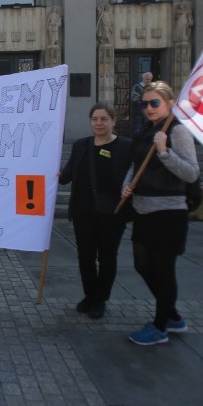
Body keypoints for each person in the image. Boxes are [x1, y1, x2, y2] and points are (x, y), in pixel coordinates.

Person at [122, 81, 200, 345]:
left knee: (164, 270)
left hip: (168, 212)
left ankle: (160, 326)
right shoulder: (148, 131)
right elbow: (137, 165)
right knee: (142, 266)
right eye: (144, 104)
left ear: (169, 103)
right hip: (144, 209)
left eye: (155, 103)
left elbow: (191, 172)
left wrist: (165, 151)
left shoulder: (176, 131)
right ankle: (173, 315)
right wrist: (126, 186)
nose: (149, 108)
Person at [59, 103, 133, 320]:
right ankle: (89, 295)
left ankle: (101, 299)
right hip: (84, 211)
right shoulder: (82, 146)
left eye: (103, 119)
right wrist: (58, 174)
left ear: (113, 121)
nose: (98, 123)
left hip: (112, 212)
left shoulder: (126, 147)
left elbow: (135, 174)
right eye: (94, 119)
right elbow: (68, 173)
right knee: (85, 256)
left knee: (108, 257)